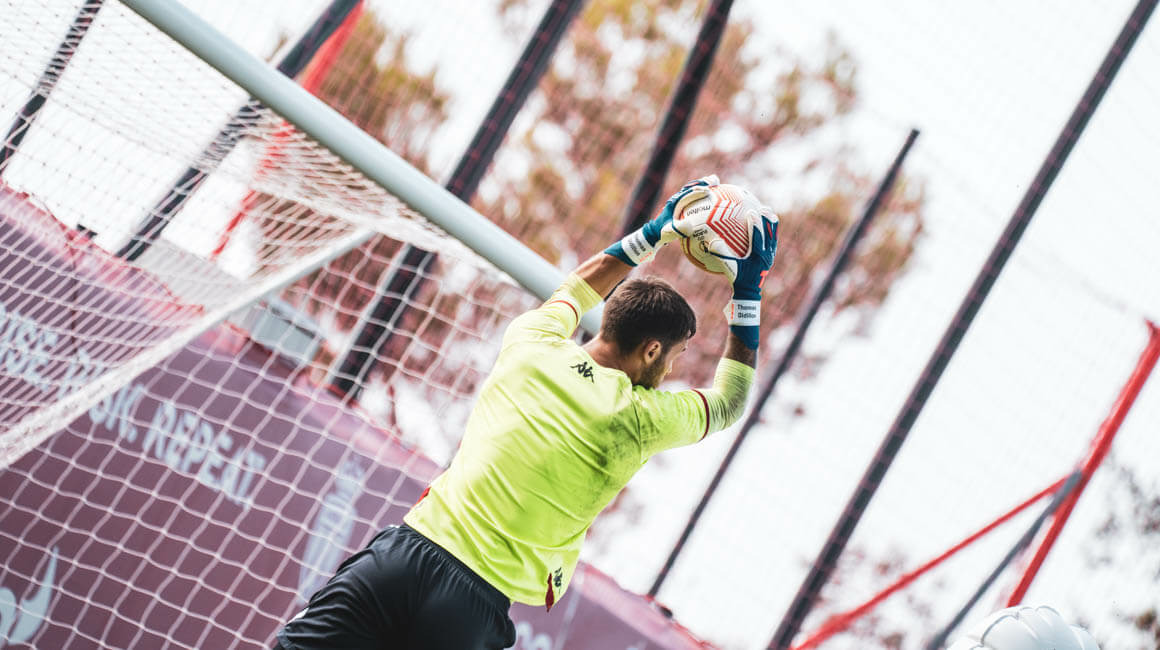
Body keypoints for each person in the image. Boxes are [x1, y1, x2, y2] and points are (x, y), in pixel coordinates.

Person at [274, 177, 778, 650]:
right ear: (651, 350)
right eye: (673, 357)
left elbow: (577, 289)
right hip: (470, 607)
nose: (670, 370)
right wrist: (748, 289)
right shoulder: (639, 417)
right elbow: (729, 401)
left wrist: (655, 232)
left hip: (401, 559)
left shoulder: (531, 342)